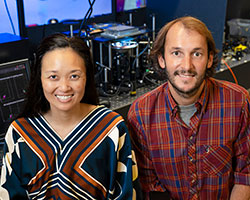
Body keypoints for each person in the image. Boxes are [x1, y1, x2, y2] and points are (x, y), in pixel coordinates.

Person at [0, 33, 141, 200]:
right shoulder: (20, 134)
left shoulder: (112, 128)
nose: (64, 87)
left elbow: (128, 194)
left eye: (74, 76)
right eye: (53, 77)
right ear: (39, 79)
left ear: (86, 77)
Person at [127, 16, 250, 199]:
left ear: (209, 59)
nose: (187, 65)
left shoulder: (238, 102)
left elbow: (245, 175)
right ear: (162, 59)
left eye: (197, 54)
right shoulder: (140, 114)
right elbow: (150, 187)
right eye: (177, 53)